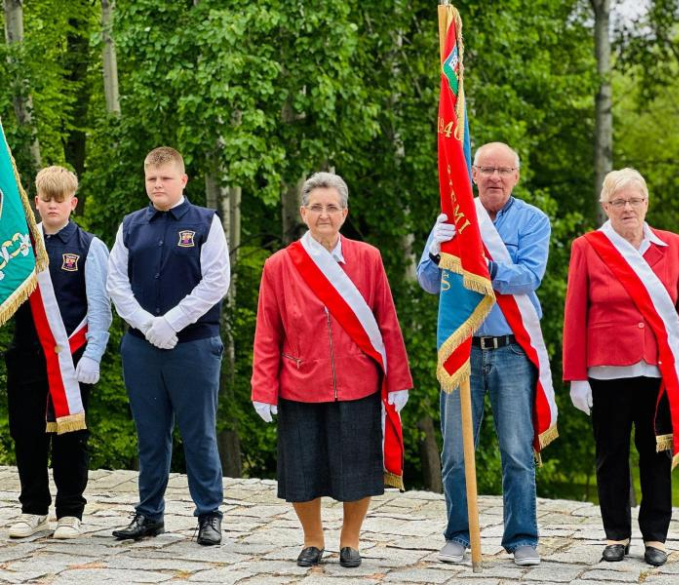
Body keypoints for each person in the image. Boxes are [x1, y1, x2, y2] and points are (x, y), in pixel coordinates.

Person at [251, 172, 412, 569]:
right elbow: (267, 331)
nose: (324, 214)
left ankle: (350, 540)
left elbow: (386, 321)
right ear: (303, 211)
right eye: (317, 207)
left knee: (358, 470)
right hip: (300, 382)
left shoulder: (368, 257)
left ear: (345, 213)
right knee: (302, 471)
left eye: (332, 207)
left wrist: (398, 379)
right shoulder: (279, 265)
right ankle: (312, 539)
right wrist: (262, 386)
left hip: (358, 382)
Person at [562, 168, 679, 567]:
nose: (627, 208)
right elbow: (575, 314)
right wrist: (575, 375)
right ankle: (616, 534)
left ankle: (656, 537)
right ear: (605, 206)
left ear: (646, 203)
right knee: (611, 455)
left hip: (660, 372)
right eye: (619, 201)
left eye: (634, 200)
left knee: (655, 454)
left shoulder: (671, 246)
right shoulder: (588, 247)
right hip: (606, 370)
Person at [417, 142, 551, 566]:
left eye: (503, 170)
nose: (495, 177)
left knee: (515, 451)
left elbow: (528, 277)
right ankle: (458, 535)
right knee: (456, 453)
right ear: (473, 174)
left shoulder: (533, 220)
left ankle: (522, 538)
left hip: (511, 350)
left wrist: (477, 263)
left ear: (516, 175)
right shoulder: (452, 216)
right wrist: (441, 252)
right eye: (487, 169)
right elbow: (427, 281)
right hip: (464, 350)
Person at [106, 147, 229, 546]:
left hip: (193, 345)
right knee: (150, 435)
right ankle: (149, 514)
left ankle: (209, 514)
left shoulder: (206, 222)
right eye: (151, 179)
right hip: (141, 347)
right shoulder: (130, 226)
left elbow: (215, 282)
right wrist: (147, 324)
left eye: (165, 178)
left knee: (199, 434)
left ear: (182, 180)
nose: (157, 185)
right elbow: (116, 284)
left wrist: (171, 323)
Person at [4, 166, 111, 539]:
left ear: (73, 203)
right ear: (36, 201)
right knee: (27, 434)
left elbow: (99, 307)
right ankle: (33, 509)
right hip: (26, 356)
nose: (52, 206)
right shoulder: (18, 249)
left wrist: (94, 354)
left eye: (59, 200)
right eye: (45, 200)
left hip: (72, 359)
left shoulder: (89, 247)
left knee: (71, 438)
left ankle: (70, 511)